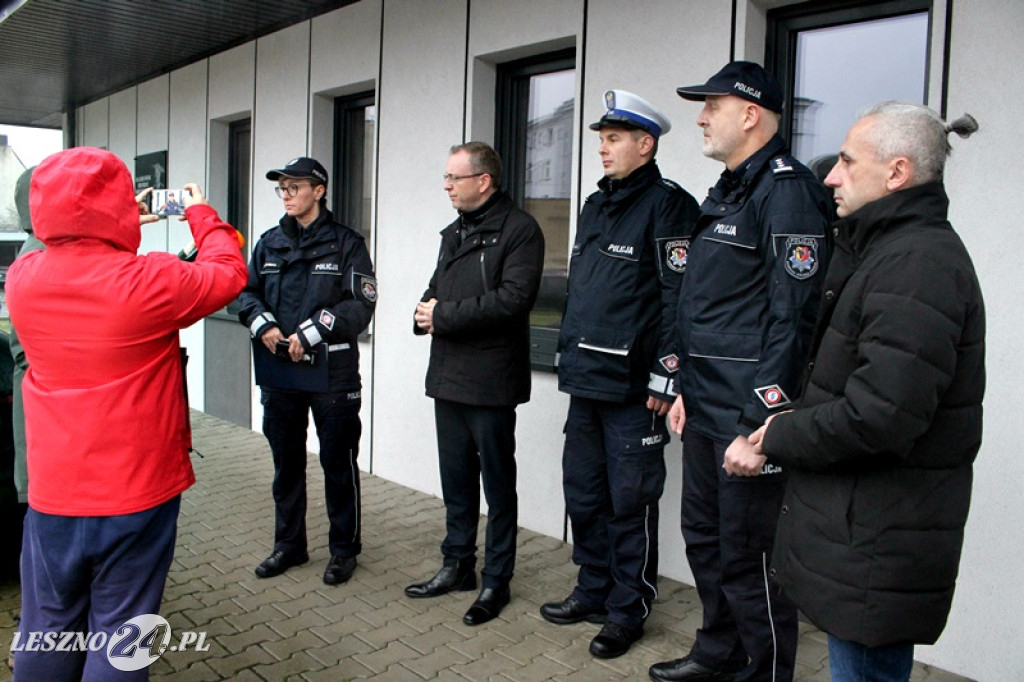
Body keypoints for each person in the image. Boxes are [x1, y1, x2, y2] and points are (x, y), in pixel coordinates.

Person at [737, 102, 983, 682]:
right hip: (864, 532)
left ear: (897, 172)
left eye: (847, 162)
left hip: (878, 542)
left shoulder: (917, 264)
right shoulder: (884, 251)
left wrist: (779, 433)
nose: (830, 176)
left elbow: (881, 415)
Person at [7, 146, 247, 680]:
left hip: (54, 492)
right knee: (123, 632)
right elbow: (229, 271)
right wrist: (199, 211)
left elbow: (54, 242)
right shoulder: (150, 281)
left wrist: (104, 222)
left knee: (47, 625)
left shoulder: (23, 279)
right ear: (115, 208)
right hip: (136, 492)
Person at [650, 62, 834, 682]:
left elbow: (794, 318)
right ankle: (718, 653)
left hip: (746, 418)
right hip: (705, 407)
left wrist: (761, 425)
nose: (702, 118)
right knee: (705, 540)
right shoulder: (729, 189)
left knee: (751, 560)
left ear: (751, 114)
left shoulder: (787, 192)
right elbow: (709, 308)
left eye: (713, 107)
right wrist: (684, 388)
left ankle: (765, 672)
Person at [541, 90, 699, 659]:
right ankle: (593, 590)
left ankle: (628, 609)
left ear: (645, 144)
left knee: (630, 502)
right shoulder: (595, 205)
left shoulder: (669, 206)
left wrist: (667, 373)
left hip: (635, 389)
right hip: (586, 380)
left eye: (613, 139)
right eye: (601, 140)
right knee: (584, 494)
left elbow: (680, 296)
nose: (602, 149)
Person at [405, 141, 544, 627]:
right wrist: (423, 311)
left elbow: (514, 300)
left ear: (483, 181)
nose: (446, 186)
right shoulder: (455, 231)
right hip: (449, 376)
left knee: (497, 487)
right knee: (456, 481)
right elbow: (436, 288)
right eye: (446, 177)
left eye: (454, 177)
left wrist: (442, 316)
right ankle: (457, 565)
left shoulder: (520, 230)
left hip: (490, 381)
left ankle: (496, 580)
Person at [238, 157, 376, 586]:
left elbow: (360, 304)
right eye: (282, 188)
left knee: (338, 463)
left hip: (332, 373)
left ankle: (344, 550)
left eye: (294, 187)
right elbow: (246, 293)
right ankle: (289, 545)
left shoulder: (346, 243)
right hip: (280, 372)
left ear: (319, 191)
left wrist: (312, 331)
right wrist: (263, 325)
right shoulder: (269, 242)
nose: (286, 195)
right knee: (286, 464)